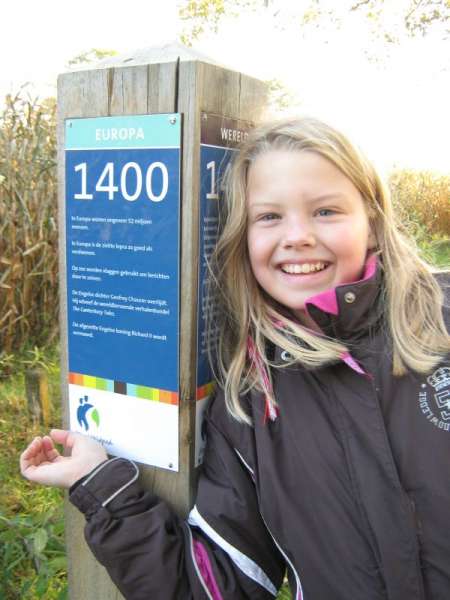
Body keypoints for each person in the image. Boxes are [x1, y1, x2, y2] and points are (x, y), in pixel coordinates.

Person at [20, 117, 450, 599]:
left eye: (326, 211)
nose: (298, 236)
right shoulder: (251, 404)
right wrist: (103, 488)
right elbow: (219, 588)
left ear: (371, 222)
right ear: (239, 238)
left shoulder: (441, 325)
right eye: (269, 217)